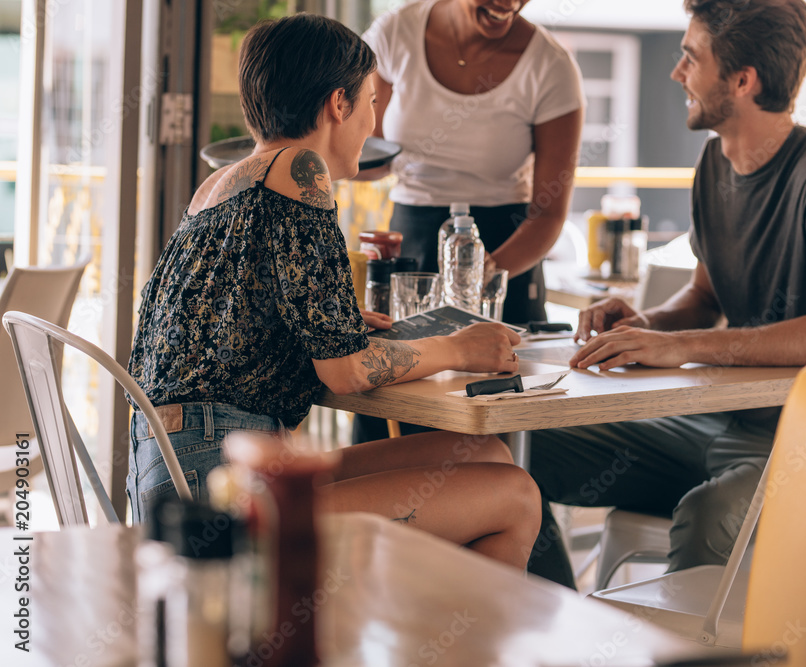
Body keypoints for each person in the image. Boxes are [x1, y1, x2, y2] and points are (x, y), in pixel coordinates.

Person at [127, 13, 540, 569]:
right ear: (338, 103)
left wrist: (335, 326)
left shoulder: (225, 182)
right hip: (222, 487)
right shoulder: (300, 168)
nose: (375, 123)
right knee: (516, 498)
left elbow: (232, 322)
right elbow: (344, 373)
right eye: (372, 102)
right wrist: (459, 348)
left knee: (484, 452)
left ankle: (407, 634)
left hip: (175, 467)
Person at [525, 0, 806, 588]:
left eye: (691, 58)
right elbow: (702, 298)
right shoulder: (714, 163)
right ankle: (563, 623)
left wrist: (684, 345)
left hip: (802, 443)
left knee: (709, 516)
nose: (677, 74)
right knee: (523, 454)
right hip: (712, 425)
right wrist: (643, 324)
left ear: (743, 81)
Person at [352, 0, 584, 444]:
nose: (510, 4)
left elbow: (550, 211)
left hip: (506, 252)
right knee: (392, 423)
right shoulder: (396, 34)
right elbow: (369, 154)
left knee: (493, 435)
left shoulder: (550, 66)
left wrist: (476, 280)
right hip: (411, 250)